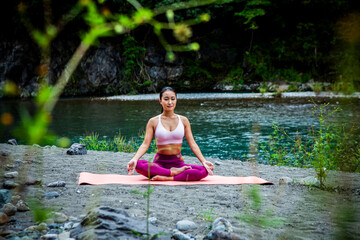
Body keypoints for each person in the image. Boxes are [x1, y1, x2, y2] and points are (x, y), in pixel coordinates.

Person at [127, 87, 214, 181]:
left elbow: (192, 143)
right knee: (139, 164)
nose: (170, 102)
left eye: (173, 99)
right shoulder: (153, 121)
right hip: (159, 163)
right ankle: (172, 173)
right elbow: (145, 144)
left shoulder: (184, 120)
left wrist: (204, 161)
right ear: (160, 101)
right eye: (166, 99)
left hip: (178, 163)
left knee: (203, 170)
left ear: (176, 100)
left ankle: (168, 177)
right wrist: (135, 159)